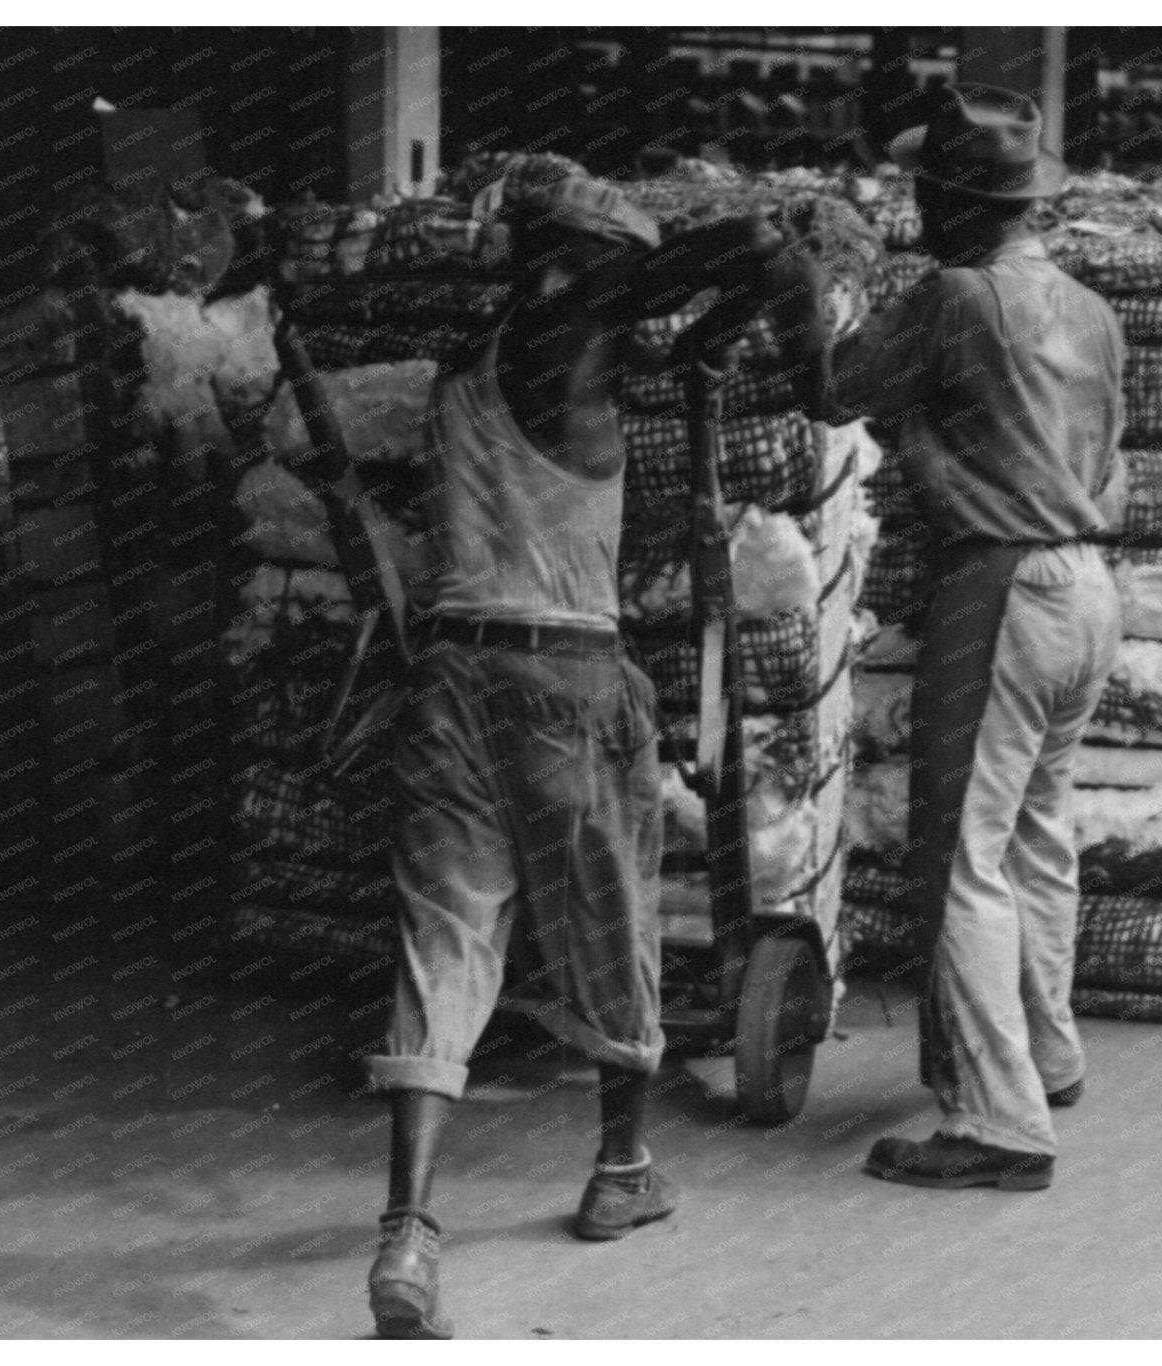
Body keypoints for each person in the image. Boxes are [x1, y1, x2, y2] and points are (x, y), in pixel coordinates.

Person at [358, 175, 789, 1338]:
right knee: (609, 922)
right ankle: (620, 1167)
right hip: (564, 679)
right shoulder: (571, 338)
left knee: (443, 940)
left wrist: (686, 334)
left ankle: (407, 1230)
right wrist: (715, 315)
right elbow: (752, 241)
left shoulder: (466, 363)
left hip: (448, 677)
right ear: (586, 269)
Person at [780, 83, 1128, 1191]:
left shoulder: (955, 297)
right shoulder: (1089, 310)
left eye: (930, 194)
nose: (918, 212)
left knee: (959, 856)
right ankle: (1048, 1055)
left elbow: (832, 389)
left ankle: (998, 1123)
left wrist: (795, 291)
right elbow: (1101, 466)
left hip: (1002, 585)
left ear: (961, 205)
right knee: (1036, 833)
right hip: (1086, 588)